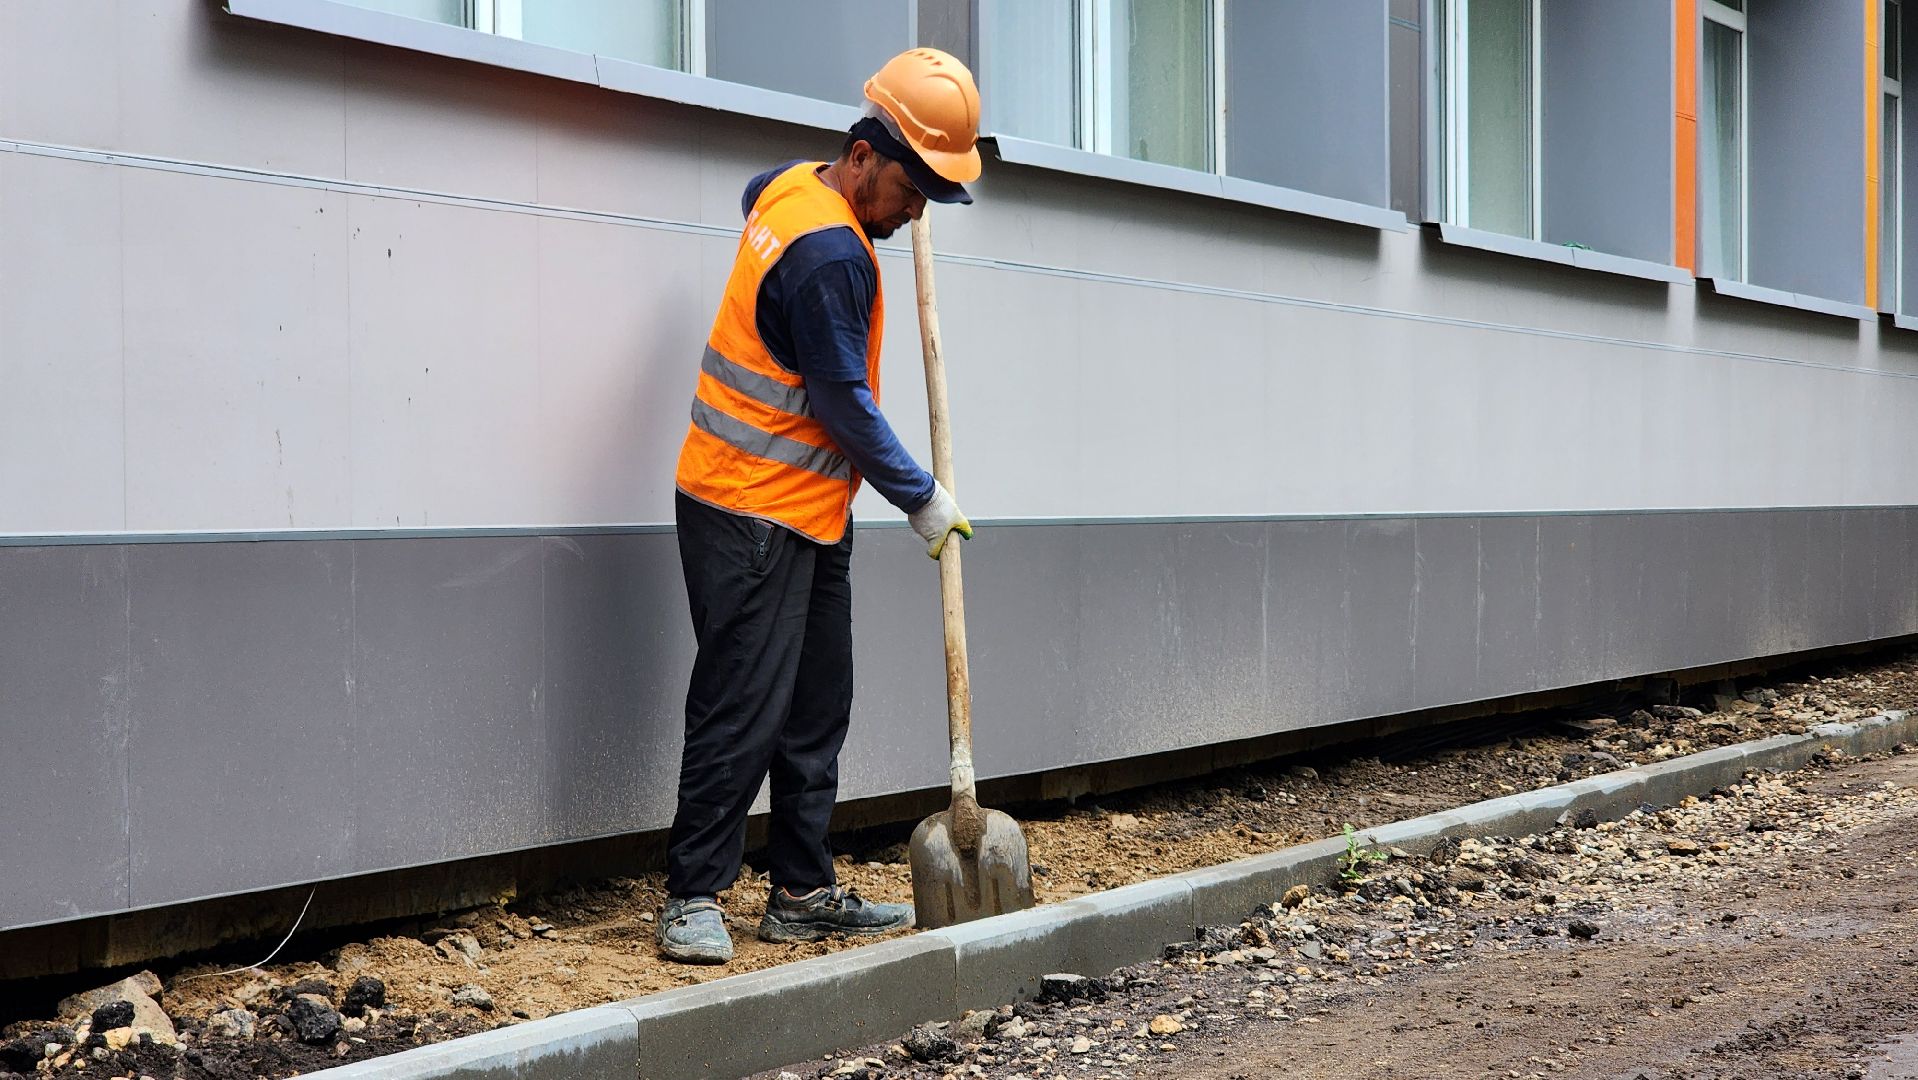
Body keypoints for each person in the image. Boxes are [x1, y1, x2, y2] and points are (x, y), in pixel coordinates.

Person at [658, 48, 983, 964]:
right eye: (913, 189)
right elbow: (843, 406)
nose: (916, 211)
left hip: (804, 510)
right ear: (864, 156)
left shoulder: (793, 185)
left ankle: (801, 891)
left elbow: (753, 191)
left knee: (816, 704)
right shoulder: (832, 257)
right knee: (740, 709)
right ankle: (692, 896)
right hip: (748, 508)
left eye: (931, 195)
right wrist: (922, 497)